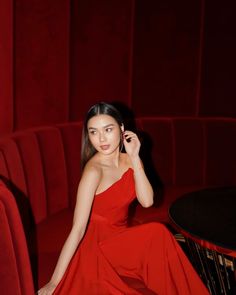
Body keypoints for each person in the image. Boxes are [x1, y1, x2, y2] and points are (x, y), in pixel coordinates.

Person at [38, 102, 209, 295]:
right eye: (93, 132)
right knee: (156, 233)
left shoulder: (130, 160)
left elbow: (147, 201)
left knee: (158, 233)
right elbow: (77, 229)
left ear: (121, 129)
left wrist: (135, 158)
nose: (101, 138)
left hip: (119, 238)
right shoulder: (93, 171)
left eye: (108, 129)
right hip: (97, 246)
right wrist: (54, 282)